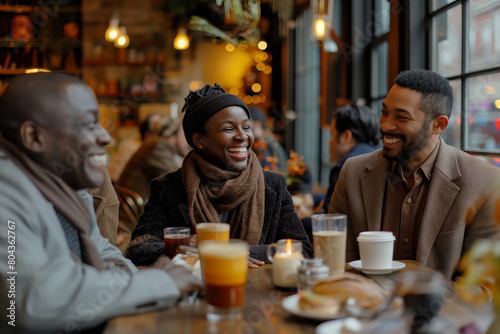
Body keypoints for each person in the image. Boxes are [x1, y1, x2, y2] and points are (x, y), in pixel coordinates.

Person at [0, 72, 202, 333]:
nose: (105, 137)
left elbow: (106, 254)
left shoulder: (64, 187)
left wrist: (118, 282)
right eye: (88, 124)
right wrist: (158, 282)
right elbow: (33, 300)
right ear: (34, 136)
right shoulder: (6, 192)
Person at [330, 69, 500, 279]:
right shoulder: (352, 173)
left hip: (443, 311)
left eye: (401, 117)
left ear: (438, 125)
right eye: (384, 112)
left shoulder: (485, 183)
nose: (384, 125)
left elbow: (480, 287)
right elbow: (338, 266)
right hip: (363, 308)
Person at [126, 83, 313, 265]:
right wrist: (186, 246)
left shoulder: (273, 185)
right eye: (229, 129)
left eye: (246, 127)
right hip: (196, 290)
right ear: (199, 140)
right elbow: (138, 249)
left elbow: (303, 250)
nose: (243, 136)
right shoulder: (169, 187)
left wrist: (232, 252)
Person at [301, 104, 380, 241]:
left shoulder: (347, 166)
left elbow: (328, 224)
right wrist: (313, 199)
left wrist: (299, 219)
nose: (329, 142)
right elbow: (342, 196)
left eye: (331, 135)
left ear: (346, 136)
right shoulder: (377, 159)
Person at [116, 115, 191, 201]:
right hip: (138, 208)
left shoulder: (157, 144)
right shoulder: (159, 146)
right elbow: (175, 185)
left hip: (138, 204)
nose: (190, 141)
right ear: (173, 135)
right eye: (185, 133)